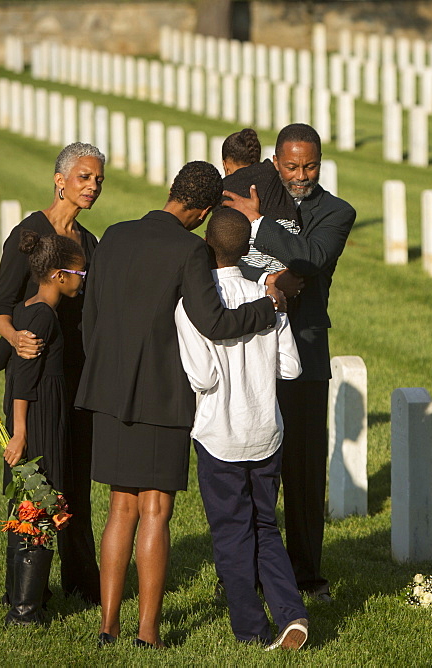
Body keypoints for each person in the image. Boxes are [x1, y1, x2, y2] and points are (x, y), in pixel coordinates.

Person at [76, 161, 286, 650]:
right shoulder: (189, 248)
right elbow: (212, 321)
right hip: (162, 394)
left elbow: (91, 315)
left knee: (118, 509)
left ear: (172, 191)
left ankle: (108, 626)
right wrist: (267, 307)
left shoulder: (114, 235)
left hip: (107, 391)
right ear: (205, 210)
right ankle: (148, 632)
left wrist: (106, 372)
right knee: (155, 510)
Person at [223, 123, 357, 602]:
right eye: (292, 165)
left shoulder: (337, 212)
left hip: (304, 347)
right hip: (252, 345)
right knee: (253, 465)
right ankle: (248, 571)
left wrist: (258, 225)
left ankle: (306, 575)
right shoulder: (250, 191)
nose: (301, 174)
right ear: (276, 162)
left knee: (302, 467)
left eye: (311, 165)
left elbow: (311, 258)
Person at [175, 207, 308, 650]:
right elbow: (290, 367)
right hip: (266, 430)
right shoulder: (266, 296)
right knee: (266, 526)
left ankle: (251, 630)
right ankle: (291, 613)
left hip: (220, 435)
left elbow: (203, 378)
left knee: (232, 534)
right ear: (246, 249)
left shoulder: (191, 305)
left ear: (206, 247)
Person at [0, 142, 105, 606]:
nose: (93, 186)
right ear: (60, 180)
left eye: (98, 178)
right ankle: (22, 595)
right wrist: (16, 336)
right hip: (36, 377)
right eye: (84, 177)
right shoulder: (29, 235)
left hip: (78, 380)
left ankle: (82, 583)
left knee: (75, 483)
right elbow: (0, 308)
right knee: (36, 486)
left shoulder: (89, 244)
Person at [1, 230, 88, 626]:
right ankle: (25, 612)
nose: (81, 279)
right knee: (40, 505)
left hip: (35, 416)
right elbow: (22, 376)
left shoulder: (27, 307)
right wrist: (20, 434)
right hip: (37, 419)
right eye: (79, 273)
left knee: (29, 504)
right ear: (58, 275)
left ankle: (19, 598)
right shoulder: (43, 316)